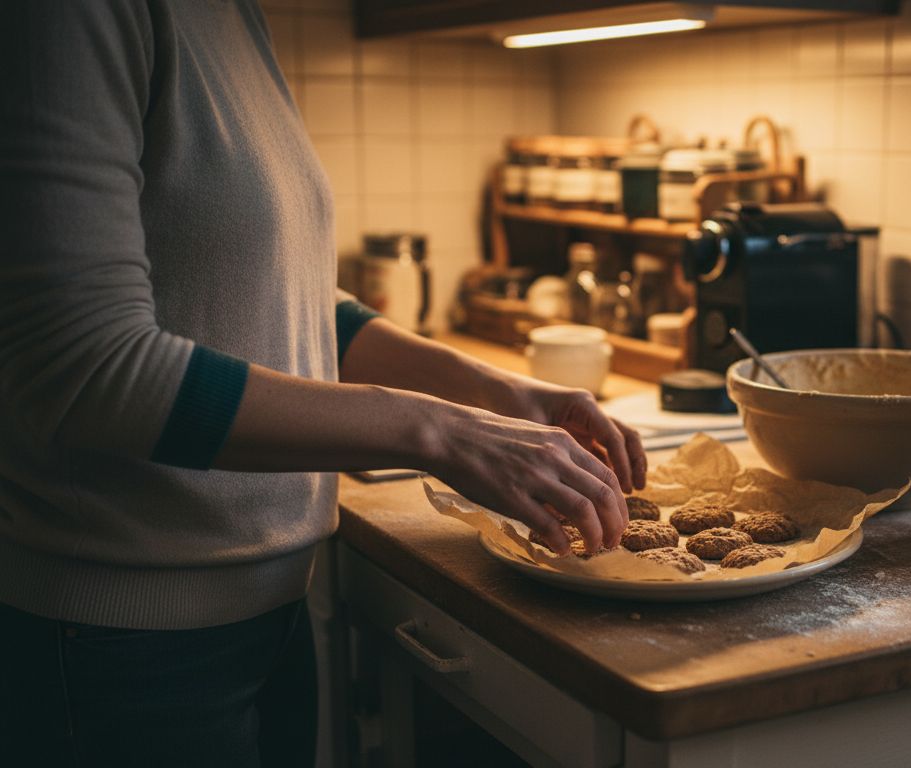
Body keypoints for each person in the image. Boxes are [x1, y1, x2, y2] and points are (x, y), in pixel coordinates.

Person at [0, 1, 641, 765]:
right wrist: (440, 431)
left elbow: (288, 298)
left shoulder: (237, 17)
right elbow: (85, 366)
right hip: (121, 648)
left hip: (267, 613)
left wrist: (495, 392)